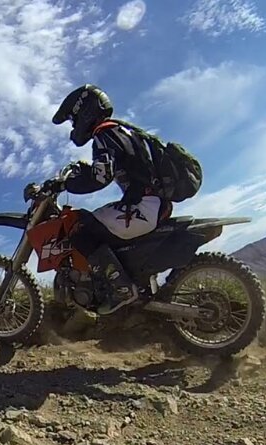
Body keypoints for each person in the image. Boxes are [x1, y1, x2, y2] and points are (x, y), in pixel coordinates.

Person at [43, 84, 174, 314]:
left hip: (144, 206)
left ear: (85, 112)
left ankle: (121, 289)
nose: (74, 126)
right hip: (150, 203)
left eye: (74, 120)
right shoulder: (120, 131)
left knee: (80, 228)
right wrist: (83, 171)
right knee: (95, 223)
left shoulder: (104, 133)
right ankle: (123, 283)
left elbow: (100, 177)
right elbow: (109, 168)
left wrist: (65, 184)